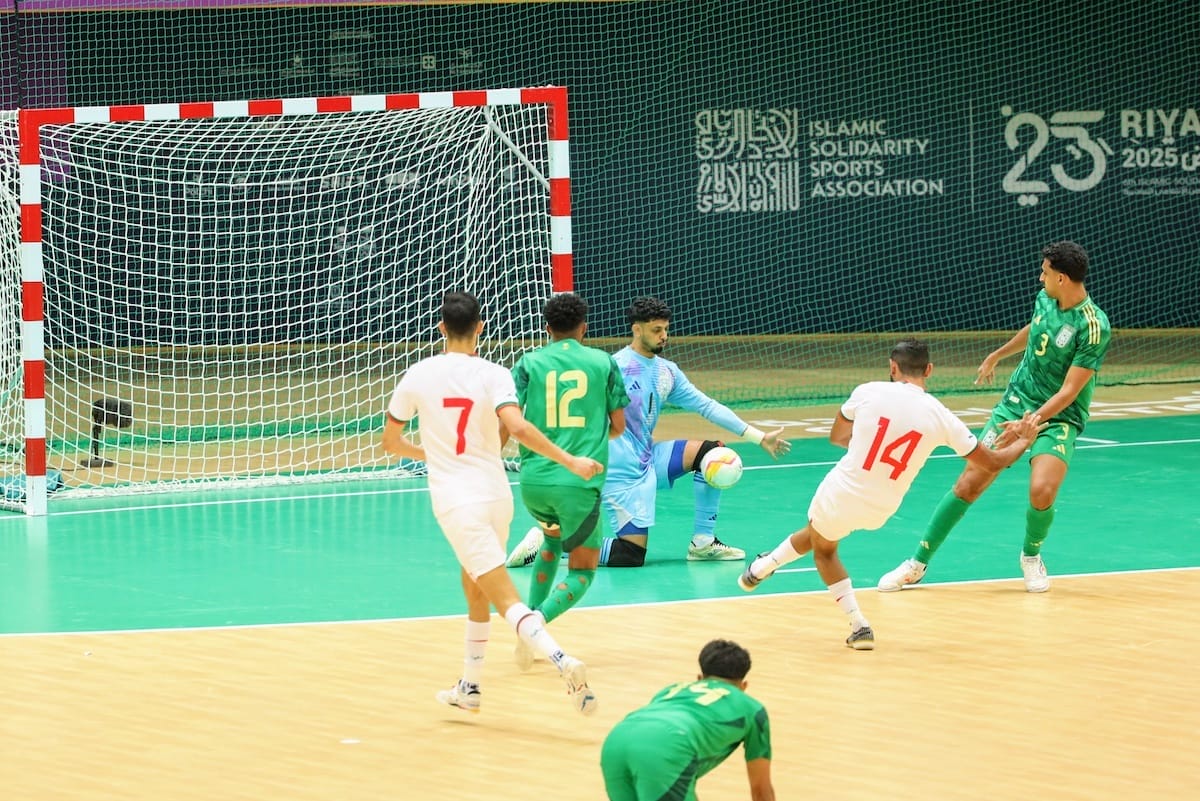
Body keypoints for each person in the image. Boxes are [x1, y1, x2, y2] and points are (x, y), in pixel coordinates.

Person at [381, 291, 604, 715]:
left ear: (441, 327)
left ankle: (563, 662)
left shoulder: (418, 373)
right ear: (480, 327)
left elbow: (390, 442)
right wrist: (571, 459)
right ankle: (470, 686)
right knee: (475, 586)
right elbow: (517, 427)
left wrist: (432, 452)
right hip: (497, 497)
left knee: (505, 600)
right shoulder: (495, 373)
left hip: (457, 502)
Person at [739, 338, 1043, 649]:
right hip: (883, 507)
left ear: (892, 367)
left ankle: (859, 625)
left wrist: (869, 447)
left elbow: (837, 436)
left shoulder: (868, 391)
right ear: (929, 370)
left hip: (842, 490)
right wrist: (1024, 439)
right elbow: (992, 463)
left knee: (825, 549)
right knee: (820, 531)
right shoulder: (940, 415)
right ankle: (763, 567)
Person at [877, 241, 1112, 594]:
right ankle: (917, 563)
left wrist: (1030, 423)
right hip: (1015, 404)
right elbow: (1035, 331)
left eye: (1045, 273)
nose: (1040, 277)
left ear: (1062, 278)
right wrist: (997, 354)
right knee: (970, 483)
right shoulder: (1045, 299)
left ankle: (1031, 557)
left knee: (1042, 490)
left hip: (1057, 416)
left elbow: (1069, 391)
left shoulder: (1093, 326)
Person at [510, 296, 791, 568]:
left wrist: (758, 436)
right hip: (617, 471)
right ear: (637, 329)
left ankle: (703, 543)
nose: (663, 336)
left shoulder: (667, 371)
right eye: (656, 330)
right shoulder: (614, 367)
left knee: (715, 454)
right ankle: (553, 545)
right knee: (630, 555)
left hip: (648, 459)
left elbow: (706, 405)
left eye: (666, 329)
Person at [509, 292, 629, 671]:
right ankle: (534, 626)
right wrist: (590, 440)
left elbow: (508, 420)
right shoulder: (603, 362)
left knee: (551, 538)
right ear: (584, 328)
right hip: (579, 485)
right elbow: (619, 426)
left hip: (533, 481)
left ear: (547, 329)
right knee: (582, 571)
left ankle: (526, 624)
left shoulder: (528, 362)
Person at [600, 639, 774, 801]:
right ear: (743, 686)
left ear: (699, 678)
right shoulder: (752, 709)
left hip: (617, 740)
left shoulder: (673, 689)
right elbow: (760, 789)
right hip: (669, 743)